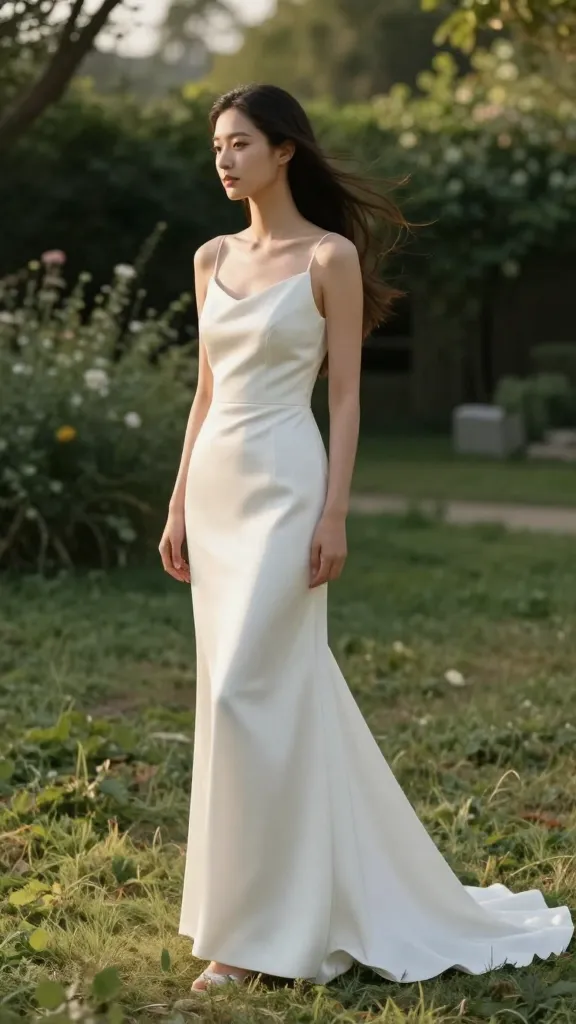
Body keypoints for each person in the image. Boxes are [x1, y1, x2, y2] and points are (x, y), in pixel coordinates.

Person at [158, 83, 573, 995]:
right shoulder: (209, 257)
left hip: (287, 484)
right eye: (216, 146)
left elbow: (344, 397)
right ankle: (250, 917)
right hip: (221, 489)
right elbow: (204, 392)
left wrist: (335, 509)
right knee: (251, 698)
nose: (224, 159)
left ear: (285, 151)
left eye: (239, 144)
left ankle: (259, 936)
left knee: (244, 694)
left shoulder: (331, 257)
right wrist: (179, 501)